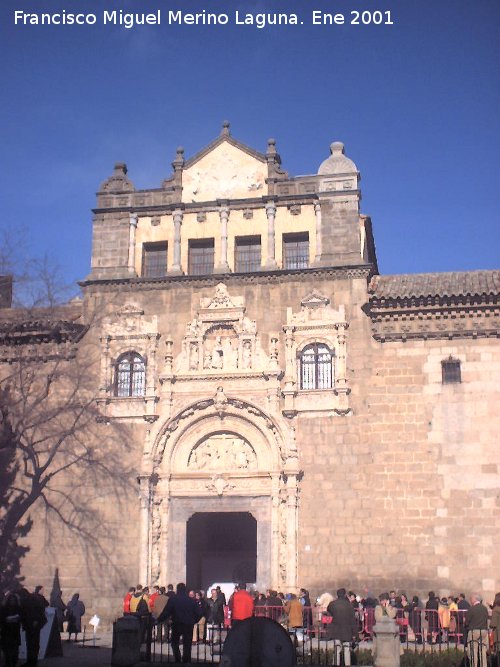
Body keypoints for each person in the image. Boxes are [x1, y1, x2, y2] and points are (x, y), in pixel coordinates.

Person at [156, 582, 202, 663]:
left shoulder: (173, 599)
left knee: (174, 643)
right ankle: (186, 660)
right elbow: (199, 613)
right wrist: (194, 621)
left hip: (177, 623)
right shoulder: (191, 601)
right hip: (188, 624)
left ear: (177, 589)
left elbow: (166, 612)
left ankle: (177, 658)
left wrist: (159, 619)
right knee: (187, 644)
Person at [326, 588, 358, 667]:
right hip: (347, 630)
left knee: (337, 649)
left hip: (336, 629)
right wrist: (355, 633)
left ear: (337, 595)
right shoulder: (349, 605)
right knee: (347, 649)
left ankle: (336, 664)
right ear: (344, 595)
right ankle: (347, 664)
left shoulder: (332, 604)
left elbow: (328, 611)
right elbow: (352, 620)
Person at [18, 587, 47, 666]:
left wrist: (36, 620)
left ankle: (32, 662)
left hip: (33, 625)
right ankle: (32, 661)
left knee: (32, 644)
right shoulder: (31, 598)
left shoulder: (29, 600)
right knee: (32, 644)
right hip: (32, 625)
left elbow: (39, 610)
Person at [465, 593, 489, 667]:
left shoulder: (472, 609)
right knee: (483, 651)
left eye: (471, 599)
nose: (470, 600)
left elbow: (467, 622)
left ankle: (474, 665)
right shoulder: (485, 608)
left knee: (473, 651)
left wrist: (466, 625)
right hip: (484, 631)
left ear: (475, 599)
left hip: (474, 631)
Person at [0, 591, 22, 667]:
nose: (12, 601)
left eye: (13, 600)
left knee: (14, 649)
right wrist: (7, 620)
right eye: (11, 600)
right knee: (6, 648)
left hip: (14, 631)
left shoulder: (18, 608)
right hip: (6, 631)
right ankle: (8, 662)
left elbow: (21, 617)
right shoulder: (4, 608)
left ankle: (13, 662)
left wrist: (16, 619)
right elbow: (2, 618)